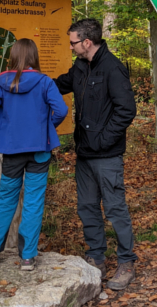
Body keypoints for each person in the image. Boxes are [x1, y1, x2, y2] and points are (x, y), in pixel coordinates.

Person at [55, 18, 138, 290]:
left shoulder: (113, 68)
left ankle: (126, 263)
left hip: (106, 155)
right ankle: (96, 259)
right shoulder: (81, 66)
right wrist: (28, 80)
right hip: (84, 155)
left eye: (73, 42)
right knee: (87, 207)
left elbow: (126, 110)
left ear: (87, 42)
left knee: (115, 209)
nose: (71, 47)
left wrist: (103, 140)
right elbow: (59, 85)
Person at [0, 38, 68, 271]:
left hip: (12, 151)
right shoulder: (45, 82)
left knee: (6, 199)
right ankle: (27, 257)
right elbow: (61, 110)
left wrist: (5, 130)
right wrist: (45, 129)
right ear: (34, 57)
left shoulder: (2, 82)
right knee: (33, 201)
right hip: (39, 150)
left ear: (14, 56)